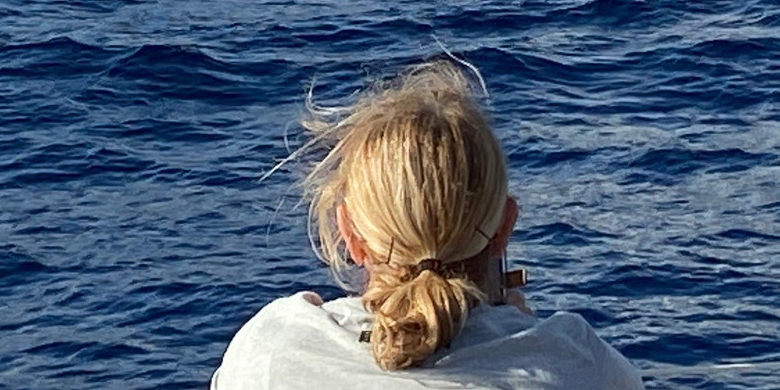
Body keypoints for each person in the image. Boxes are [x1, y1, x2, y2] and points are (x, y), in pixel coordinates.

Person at [211, 60, 644, 389]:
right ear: (504, 227)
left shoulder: (270, 351)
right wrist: (523, 333)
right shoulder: (578, 361)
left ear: (351, 235)